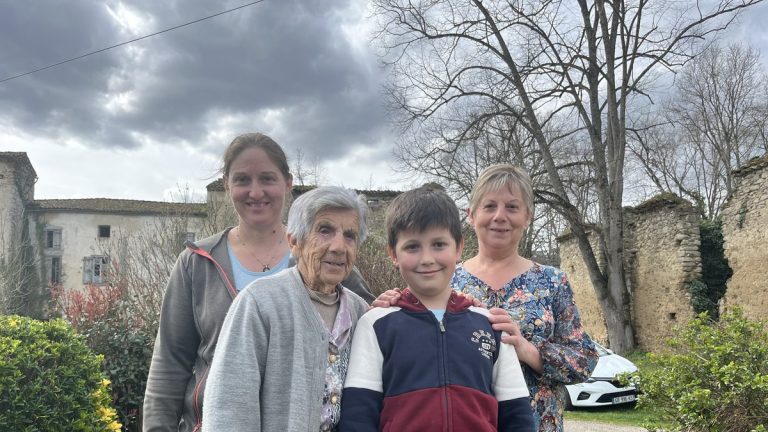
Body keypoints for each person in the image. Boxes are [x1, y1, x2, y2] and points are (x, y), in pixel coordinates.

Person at [142, 134, 374, 432]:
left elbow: (367, 328)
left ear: (287, 183)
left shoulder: (328, 260)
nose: (255, 191)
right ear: (226, 184)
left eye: (267, 178)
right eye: (242, 180)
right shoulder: (197, 263)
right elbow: (169, 365)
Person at [374, 165, 598, 432]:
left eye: (512, 207)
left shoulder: (552, 282)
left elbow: (584, 361)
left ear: (527, 216)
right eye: (489, 206)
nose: (499, 216)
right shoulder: (441, 276)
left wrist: (530, 351)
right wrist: (390, 304)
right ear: (471, 215)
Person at [340, 186, 535, 431]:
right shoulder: (376, 324)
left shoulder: (490, 325)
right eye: (412, 247)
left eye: (439, 244)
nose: (427, 258)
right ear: (393, 253)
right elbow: (358, 416)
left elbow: (517, 416)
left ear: (459, 248)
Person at [202, 186, 370, 431]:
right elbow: (229, 410)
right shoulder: (259, 303)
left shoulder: (361, 312)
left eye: (350, 235)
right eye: (325, 230)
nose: (339, 246)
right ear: (294, 242)